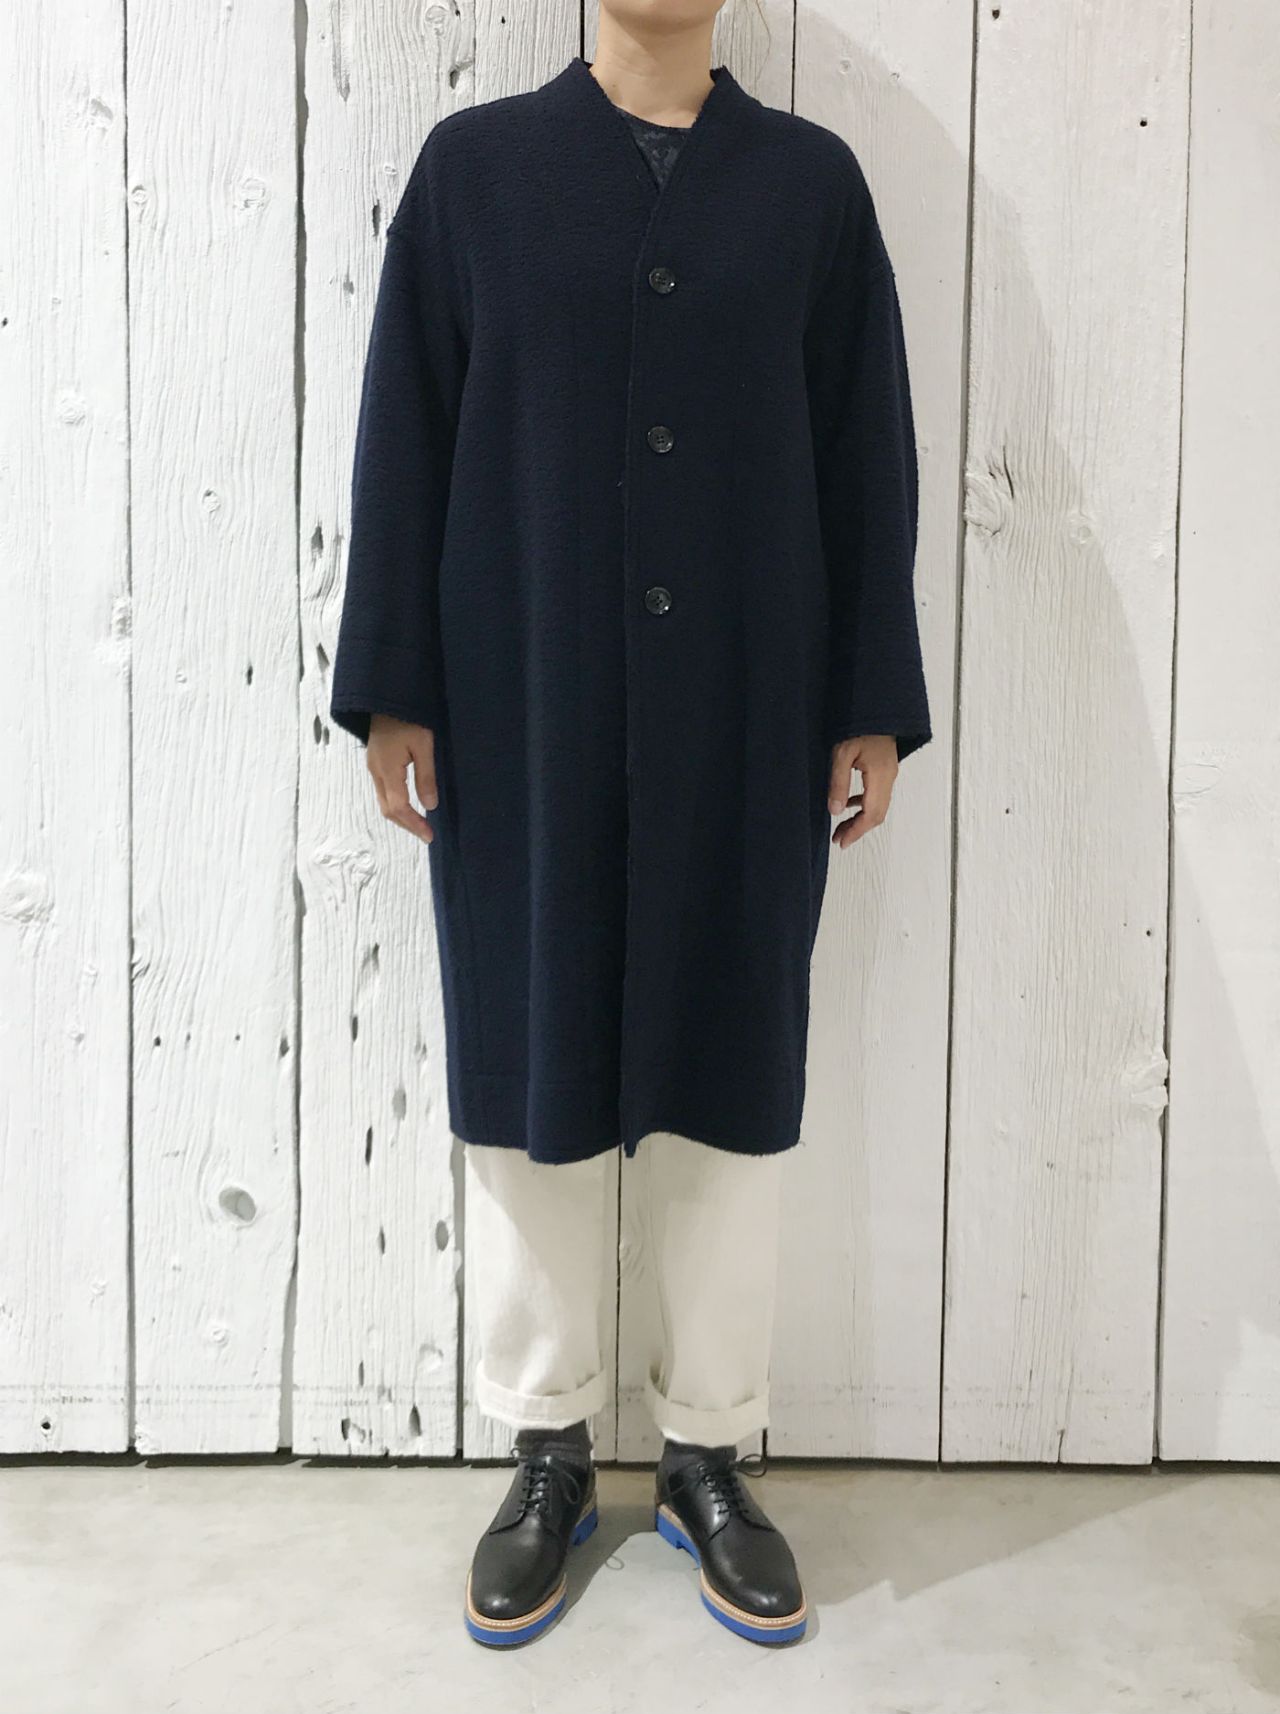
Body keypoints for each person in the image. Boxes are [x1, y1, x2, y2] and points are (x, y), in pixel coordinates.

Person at [328, 1, 931, 1651]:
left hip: (749, 696)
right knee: (529, 1051)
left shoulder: (810, 191)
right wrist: (394, 685)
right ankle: (545, 1446)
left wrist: (868, 696)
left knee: (732, 1054)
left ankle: (707, 1451)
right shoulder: (476, 177)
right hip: (521, 691)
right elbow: (408, 434)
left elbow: (865, 451)